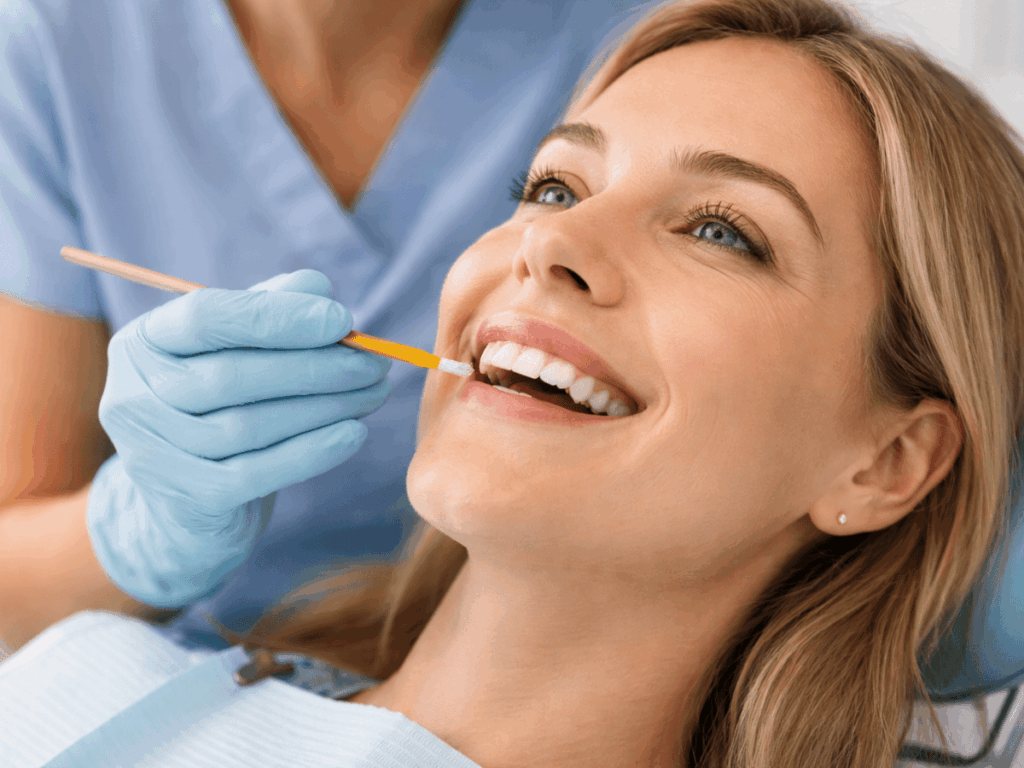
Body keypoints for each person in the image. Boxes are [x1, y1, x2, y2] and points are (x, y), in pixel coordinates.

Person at [3, 0, 1024, 766]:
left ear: (887, 461)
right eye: (549, 186)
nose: (552, 244)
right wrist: (124, 534)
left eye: (720, 231)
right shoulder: (80, 682)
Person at [0, 0, 659, 651]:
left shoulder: (642, 31)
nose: (551, 247)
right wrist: (140, 533)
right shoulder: (55, 44)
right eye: (546, 193)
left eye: (554, 190)